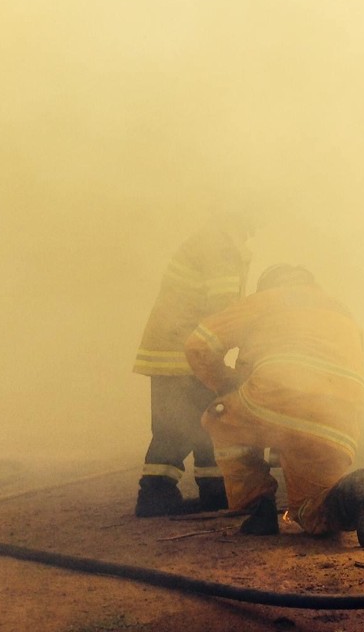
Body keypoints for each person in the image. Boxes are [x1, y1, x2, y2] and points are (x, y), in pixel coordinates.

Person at [184, 264, 364, 547]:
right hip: (339, 422)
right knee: (313, 509)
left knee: (220, 418)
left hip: (278, 398)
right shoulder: (341, 310)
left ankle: (259, 508)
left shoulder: (265, 300)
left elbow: (198, 344)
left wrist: (226, 384)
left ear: (269, 284)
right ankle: (354, 495)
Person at [132, 213, 253, 517]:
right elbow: (224, 311)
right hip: (185, 351)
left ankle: (208, 491)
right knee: (189, 423)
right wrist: (250, 353)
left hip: (181, 348)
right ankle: (158, 495)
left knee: (197, 421)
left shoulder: (215, 241)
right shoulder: (220, 247)